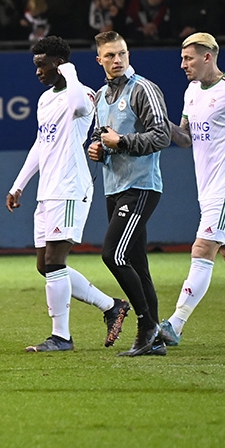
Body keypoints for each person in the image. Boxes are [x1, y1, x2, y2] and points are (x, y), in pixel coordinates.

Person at [6, 36, 130, 353]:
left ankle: (61, 337)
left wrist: (70, 71)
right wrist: (19, 183)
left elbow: (76, 105)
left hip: (71, 187)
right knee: (44, 265)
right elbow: (40, 144)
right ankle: (111, 306)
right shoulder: (46, 99)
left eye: (42, 65)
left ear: (59, 65)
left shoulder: (83, 93)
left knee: (55, 260)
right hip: (48, 190)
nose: (37, 72)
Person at [86, 32, 170, 356]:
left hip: (141, 185)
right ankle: (155, 341)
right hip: (114, 187)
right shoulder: (100, 97)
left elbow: (162, 135)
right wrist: (98, 150)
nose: (117, 60)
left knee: (113, 255)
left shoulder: (143, 89)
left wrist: (121, 143)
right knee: (137, 261)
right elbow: (103, 138)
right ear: (100, 60)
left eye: (121, 53)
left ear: (128, 53)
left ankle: (146, 323)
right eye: (110, 55)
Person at [157, 33, 225, 347]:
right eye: (182, 58)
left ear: (208, 57)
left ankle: (175, 325)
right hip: (207, 189)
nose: (183, 65)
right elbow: (185, 137)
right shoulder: (192, 91)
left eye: (188, 58)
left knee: (202, 249)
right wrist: (160, 122)